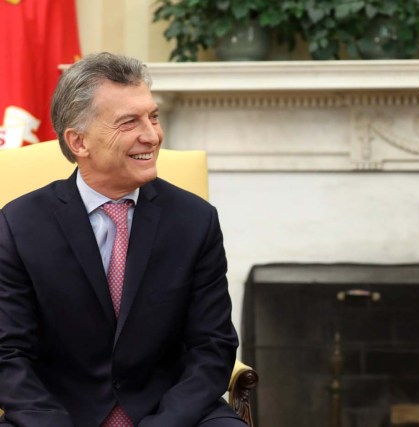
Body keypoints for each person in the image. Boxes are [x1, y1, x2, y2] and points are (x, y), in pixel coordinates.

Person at [0, 52, 245, 426]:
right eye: (129, 122)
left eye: (153, 117)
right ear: (78, 142)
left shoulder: (195, 221)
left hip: (172, 412)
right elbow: (8, 353)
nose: (152, 135)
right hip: (58, 414)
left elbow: (212, 347)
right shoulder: (20, 225)